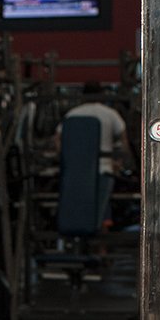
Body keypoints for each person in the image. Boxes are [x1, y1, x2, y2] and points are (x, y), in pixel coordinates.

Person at [56, 83, 133, 230]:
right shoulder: (110, 114)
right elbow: (124, 142)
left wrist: (65, 159)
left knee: (77, 211)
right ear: (102, 95)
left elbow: (57, 139)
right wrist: (119, 162)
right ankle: (101, 249)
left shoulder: (73, 113)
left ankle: (79, 246)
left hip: (76, 172)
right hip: (103, 170)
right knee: (100, 211)